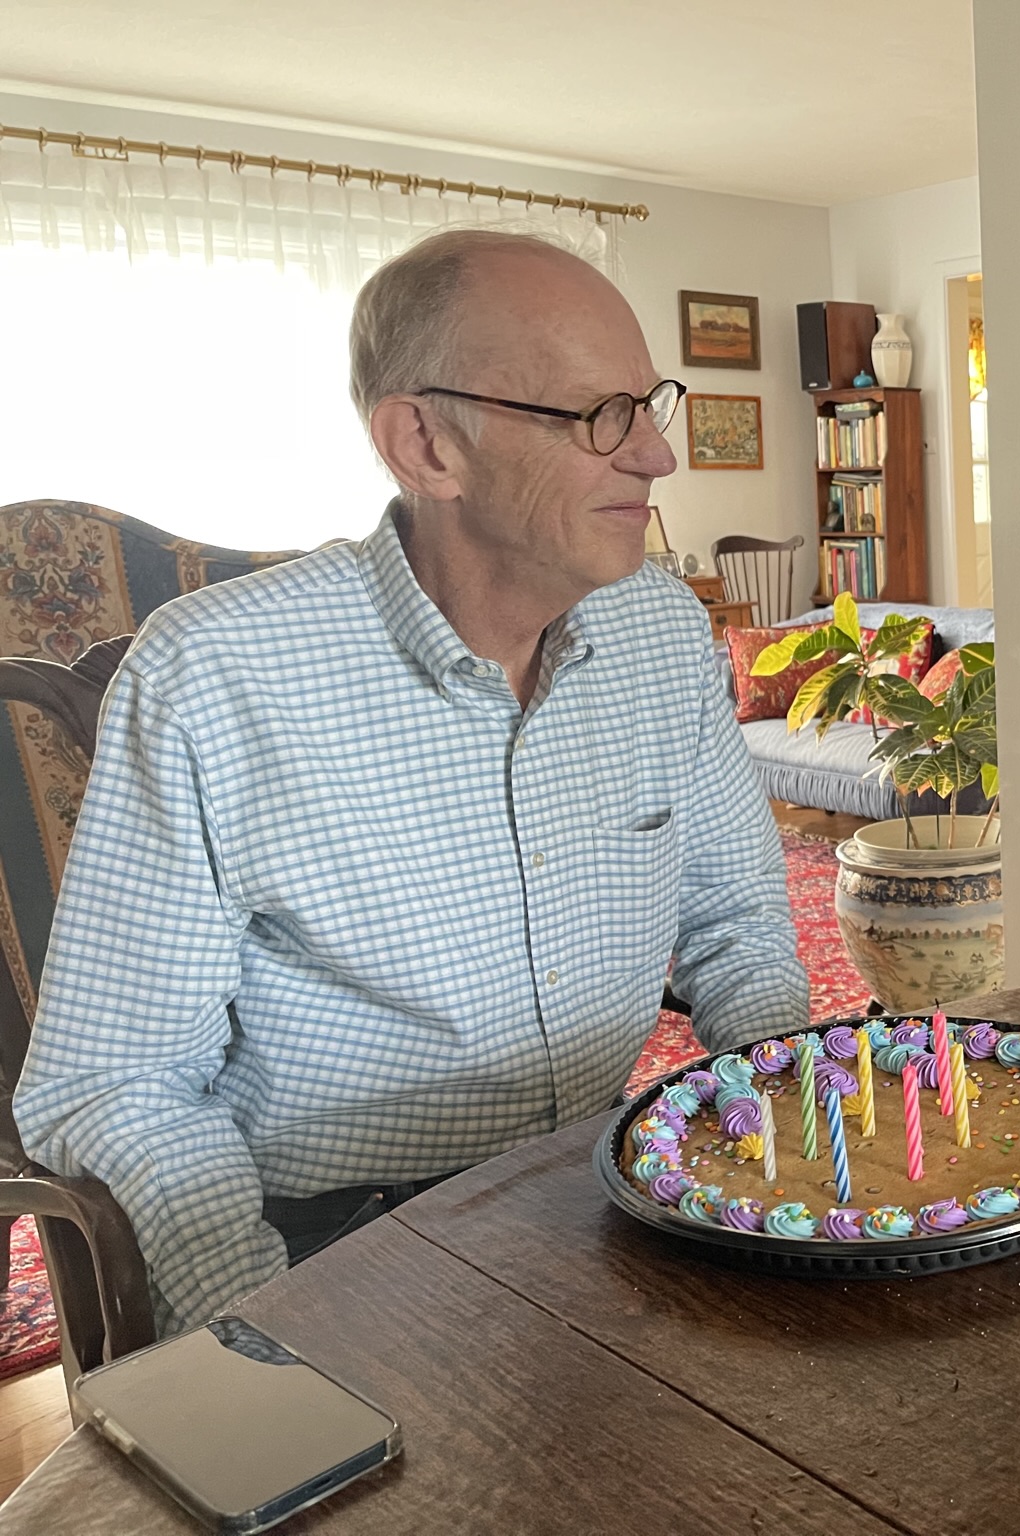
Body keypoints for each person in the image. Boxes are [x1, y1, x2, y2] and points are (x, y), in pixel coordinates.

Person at [16, 230, 810, 1332]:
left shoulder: (663, 631)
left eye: (649, 404)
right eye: (601, 415)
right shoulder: (214, 677)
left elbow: (738, 924)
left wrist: (791, 1128)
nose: (657, 456)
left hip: (616, 1190)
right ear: (426, 445)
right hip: (337, 1245)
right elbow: (117, 1082)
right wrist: (270, 1334)